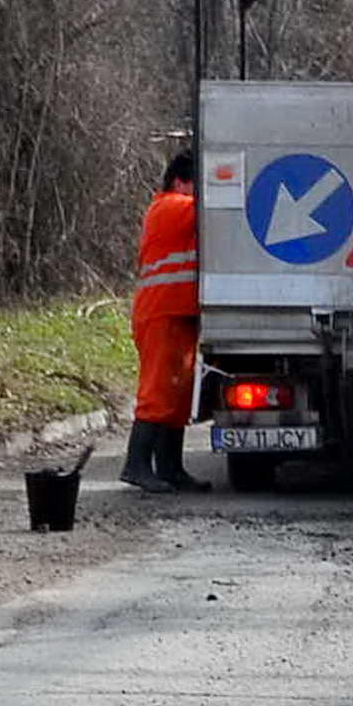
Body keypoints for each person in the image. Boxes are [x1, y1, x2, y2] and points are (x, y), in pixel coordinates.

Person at [123, 149, 206, 495]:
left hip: (177, 314)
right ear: (180, 182)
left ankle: (171, 468)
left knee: (177, 396)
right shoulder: (170, 207)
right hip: (162, 313)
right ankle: (136, 466)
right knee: (157, 393)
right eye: (198, 184)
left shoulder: (176, 208)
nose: (200, 192)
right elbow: (212, 211)